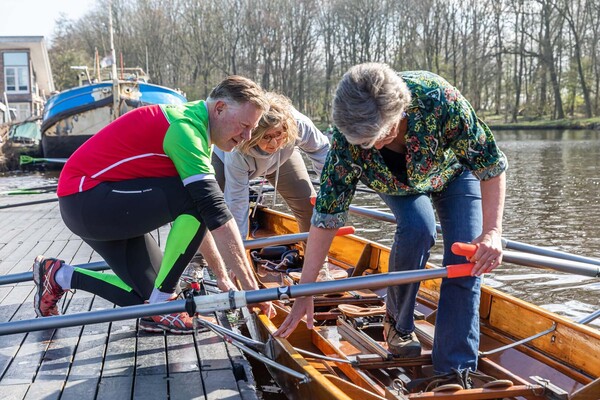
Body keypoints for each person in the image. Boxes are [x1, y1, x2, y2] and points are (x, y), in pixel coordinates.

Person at [275, 63, 508, 388]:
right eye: (363, 142)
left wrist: (493, 232)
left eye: (378, 137)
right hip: (395, 184)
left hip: (455, 174)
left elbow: (491, 165)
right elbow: (327, 215)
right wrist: (306, 290)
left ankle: (453, 372)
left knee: (467, 262)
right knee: (417, 228)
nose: (373, 147)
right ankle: (397, 325)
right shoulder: (346, 140)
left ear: (400, 111)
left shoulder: (439, 98)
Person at [33, 76, 276, 334]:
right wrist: (252, 289)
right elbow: (213, 210)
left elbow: (200, 221)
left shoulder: (199, 130)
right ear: (219, 109)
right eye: (244, 125)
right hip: (88, 200)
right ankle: (164, 303)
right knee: (197, 201)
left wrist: (222, 277)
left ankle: (58, 275)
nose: (247, 136)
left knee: (147, 302)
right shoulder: (185, 129)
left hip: (95, 204)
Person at [190, 92, 333, 283]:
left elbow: (322, 150)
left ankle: (318, 266)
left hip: (282, 160)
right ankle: (198, 260)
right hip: (227, 159)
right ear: (254, 134)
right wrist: (238, 264)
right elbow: (237, 205)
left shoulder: (298, 124)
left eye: (279, 134)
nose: (274, 143)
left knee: (310, 203)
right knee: (207, 206)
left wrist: (330, 188)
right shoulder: (237, 151)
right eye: (267, 137)